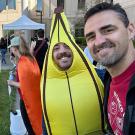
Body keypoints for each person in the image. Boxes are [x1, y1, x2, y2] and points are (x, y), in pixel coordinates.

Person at [40, 7, 105, 135]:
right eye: (56, 48)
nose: (62, 51)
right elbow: (46, 122)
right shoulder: (45, 86)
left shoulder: (98, 75)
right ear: (50, 55)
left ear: (74, 49)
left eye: (66, 46)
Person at [84, 2, 135, 135]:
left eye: (108, 30)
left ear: (130, 30)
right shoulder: (108, 79)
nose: (99, 41)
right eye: (91, 37)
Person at [7, 36, 42, 135]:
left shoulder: (22, 62)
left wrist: (11, 83)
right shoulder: (30, 58)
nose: (10, 50)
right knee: (37, 124)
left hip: (27, 101)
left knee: (31, 128)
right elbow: (29, 76)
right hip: (36, 98)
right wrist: (16, 73)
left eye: (11, 48)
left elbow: (24, 85)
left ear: (14, 48)